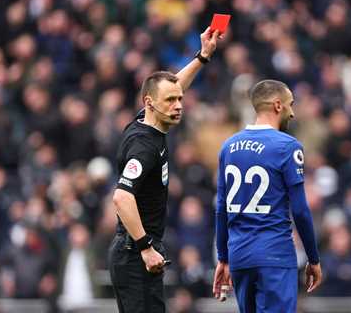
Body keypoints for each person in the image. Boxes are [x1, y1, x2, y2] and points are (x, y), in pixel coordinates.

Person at [109, 27, 220, 313]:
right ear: (150, 104)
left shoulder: (147, 120)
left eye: (180, 99)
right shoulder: (144, 146)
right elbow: (121, 197)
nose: (178, 105)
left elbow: (173, 84)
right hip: (134, 253)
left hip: (139, 251)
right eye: (171, 101)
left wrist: (203, 57)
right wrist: (145, 247)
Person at [213, 80, 322, 313]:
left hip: (239, 255)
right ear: (278, 105)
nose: (293, 113)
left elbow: (221, 208)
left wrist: (223, 258)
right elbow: (301, 210)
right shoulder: (287, 146)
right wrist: (313, 258)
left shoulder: (228, 147)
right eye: (291, 104)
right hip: (274, 254)